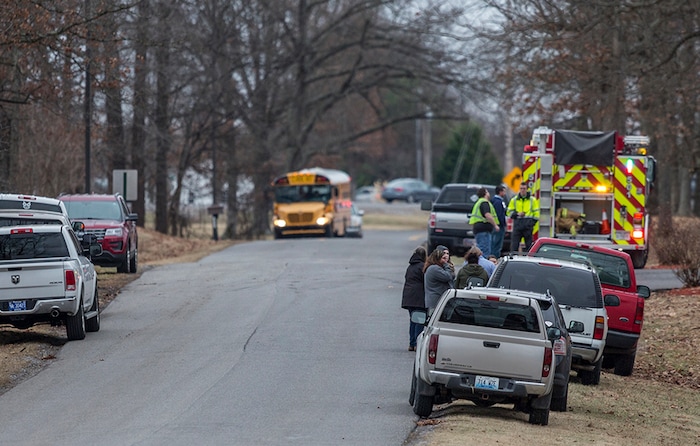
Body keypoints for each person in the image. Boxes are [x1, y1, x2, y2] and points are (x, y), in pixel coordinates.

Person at [401, 246, 427, 352]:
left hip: (408, 297)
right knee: (420, 320)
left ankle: (411, 343)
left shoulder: (410, 267)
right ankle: (417, 343)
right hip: (419, 296)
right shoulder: (423, 267)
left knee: (412, 320)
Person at [508, 183, 539, 253]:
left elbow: (536, 214)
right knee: (514, 246)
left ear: (527, 189)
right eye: (521, 188)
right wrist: (517, 214)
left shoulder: (532, 200)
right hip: (517, 226)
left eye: (524, 188)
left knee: (529, 247)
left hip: (527, 227)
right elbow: (509, 212)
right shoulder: (514, 200)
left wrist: (531, 224)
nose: (522, 190)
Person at [468, 187, 500, 258]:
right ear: (485, 193)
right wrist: (495, 225)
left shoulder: (479, 202)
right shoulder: (484, 202)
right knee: (484, 250)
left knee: (479, 249)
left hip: (479, 228)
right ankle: (483, 266)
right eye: (487, 192)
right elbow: (487, 214)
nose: (489, 193)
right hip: (484, 229)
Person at [423, 246, 455, 313]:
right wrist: (446, 265)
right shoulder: (434, 269)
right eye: (444, 253)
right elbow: (447, 277)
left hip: (442, 302)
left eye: (447, 254)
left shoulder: (442, 268)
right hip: (435, 303)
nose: (446, 256)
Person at [490, 185, 508, 257]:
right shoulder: (498, 202)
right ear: (500, 192)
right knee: (496, 244)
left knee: (494, 243)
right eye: (504, 191)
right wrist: (503, 224)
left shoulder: (495, 200)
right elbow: (500, 215)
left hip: (496, 225)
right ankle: (494, 258)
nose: (505, 193)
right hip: (498, 226)